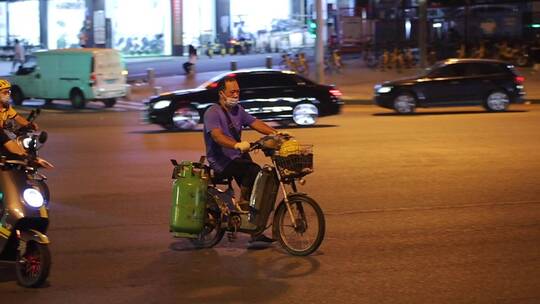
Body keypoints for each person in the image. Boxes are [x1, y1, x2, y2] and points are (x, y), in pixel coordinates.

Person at [203, 76, 278, 243]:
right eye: (232, 92)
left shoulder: (238, 110)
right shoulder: (212, 112)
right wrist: (236, 145)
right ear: (222, 93)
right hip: (221, 160)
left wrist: (275, 134)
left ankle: (254, 229)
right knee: (253, 171)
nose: (236, 95)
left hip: (238, 157)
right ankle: (243, 202)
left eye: (237, 91)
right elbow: (217, 136)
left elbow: (255, 122)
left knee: (264, 179)